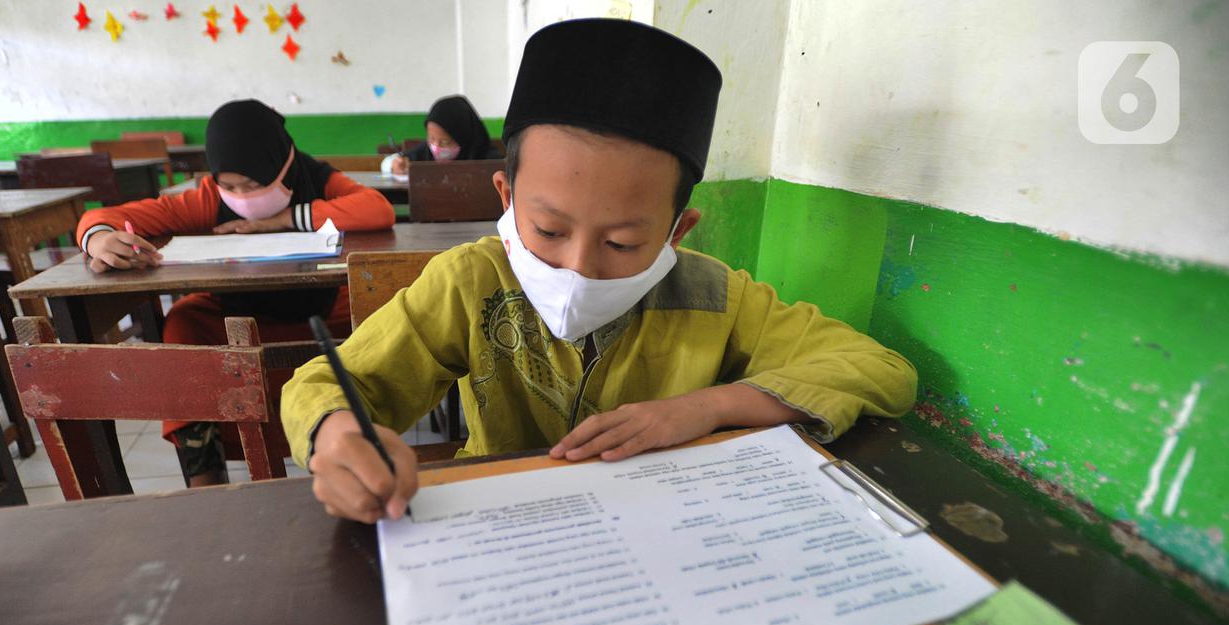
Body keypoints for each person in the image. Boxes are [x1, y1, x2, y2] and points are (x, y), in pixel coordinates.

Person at [282, 19, 917, 524]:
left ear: (677, 232)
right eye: (548, 230)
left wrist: (709, 406)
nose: (578, 269)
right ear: (506, 196)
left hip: (663, 528)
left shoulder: (713, 296)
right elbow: (327, 382)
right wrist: (338, 439)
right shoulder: (470, 282)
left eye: (622, 242)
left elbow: (880, 369)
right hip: (504, 524)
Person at [76, 98, 396, 487]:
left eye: (254, 184)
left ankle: (355, 448)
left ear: (282, 165)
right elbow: (106, 216)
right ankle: (205, 476)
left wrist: (285, 218)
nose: (241, 197)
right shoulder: (209, 199)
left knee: (375, 321)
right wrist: (99, 238)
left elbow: (377, 209)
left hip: (323, 313)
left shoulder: (317, 179)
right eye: (229, 186)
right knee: (184, 323)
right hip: (235, 315)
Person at [381, 95, 502, 174]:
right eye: (431, 138)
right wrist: (394, 165)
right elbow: (387, 163)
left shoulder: (490, 160)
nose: (436, 147)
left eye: (444, 142)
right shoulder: (425, 151)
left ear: (463, 138)